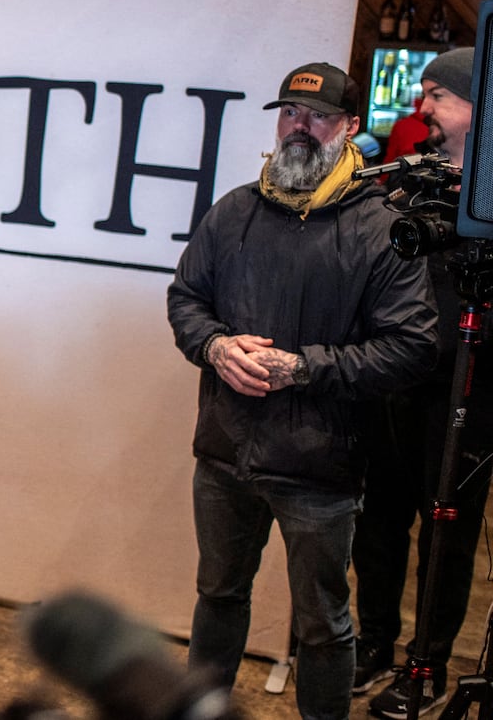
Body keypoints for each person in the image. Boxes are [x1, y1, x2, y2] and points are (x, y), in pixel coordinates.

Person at [166, 62, 437, 720]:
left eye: (316, 117)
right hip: (226, 452)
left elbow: (413, 346)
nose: (298, 128)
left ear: (348, 129)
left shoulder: (380, 229)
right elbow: (186, 301)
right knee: (218, 598)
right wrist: (214, 346)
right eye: (288, 112)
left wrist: (301, 368)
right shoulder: (234, 211)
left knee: (322, 625)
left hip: (322, 465)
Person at [352, 47, 492, 719]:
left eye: (437, 94)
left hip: (469, 387)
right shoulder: (415, 180)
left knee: (447, 531)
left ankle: (427, 664)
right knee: (377, 521)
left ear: (478, 104)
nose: (423, 107)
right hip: (393, 378)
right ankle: (371, 645)